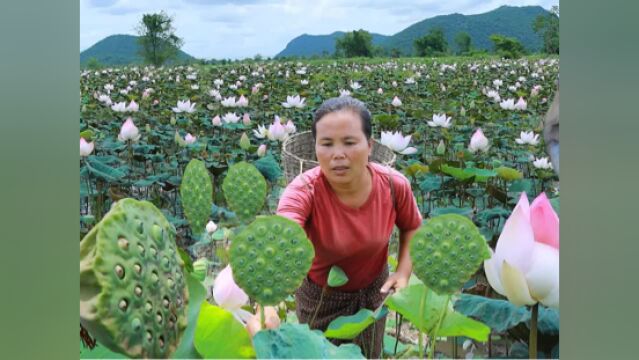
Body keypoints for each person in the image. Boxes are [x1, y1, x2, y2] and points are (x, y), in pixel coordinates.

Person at [246, 96, 423, 358]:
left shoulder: (394, 186)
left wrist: (404, 272)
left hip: (374, 293)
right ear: (316, 148)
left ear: (370, 145)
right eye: (326, 144)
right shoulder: (303, 192)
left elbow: (412, 227)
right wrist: (267, 305)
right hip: (320, 299)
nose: (338, 154)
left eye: (349, 142)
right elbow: (278, 243)